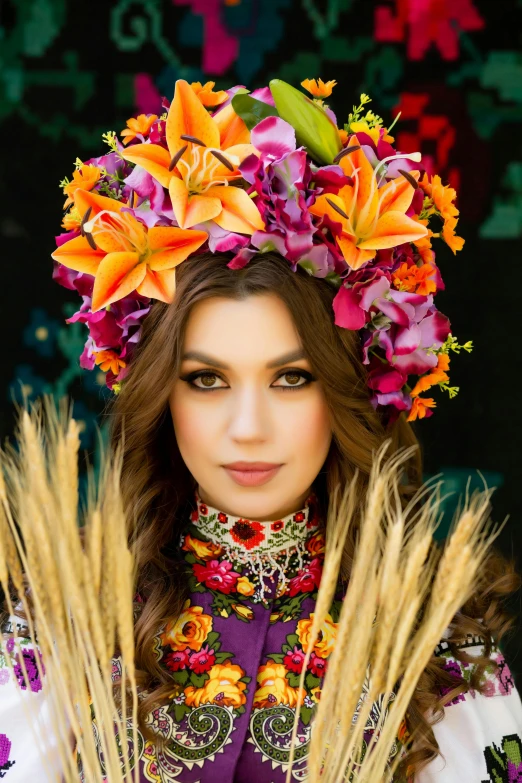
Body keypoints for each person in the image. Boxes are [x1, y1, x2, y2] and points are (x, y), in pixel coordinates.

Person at [1, 77, 521, 782]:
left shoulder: (433, 644)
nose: (247, 428)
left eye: (292, 378)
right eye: (207, 380)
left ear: (349, 389)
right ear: (162, 393)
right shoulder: (66, 631)